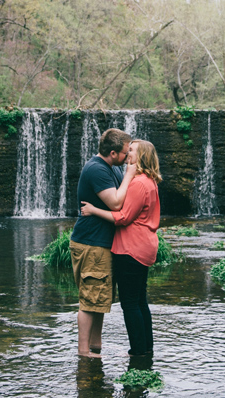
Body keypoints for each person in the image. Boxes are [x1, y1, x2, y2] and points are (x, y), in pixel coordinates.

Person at [81, 139, 161, 358]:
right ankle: (146, 348)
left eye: (132, 151)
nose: (128, 155)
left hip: (131, 248)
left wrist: (94, 210)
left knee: (130, 303)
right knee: (140, 300)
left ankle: (137, 351)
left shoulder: (137, 183)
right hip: (144, 246)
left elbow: (122, 217)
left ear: (142, 157)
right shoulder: (150, 181)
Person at [69, 128, 134, 357]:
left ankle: (95, 347)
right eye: (126, 153)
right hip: (91, 243)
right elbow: (116, 204)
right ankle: (83, 352)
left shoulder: (111, 168)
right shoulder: (97, 169)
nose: (128, 157)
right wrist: (130, 173)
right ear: (114, 153)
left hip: (101, 243)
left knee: (99, 298)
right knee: (90, 299)